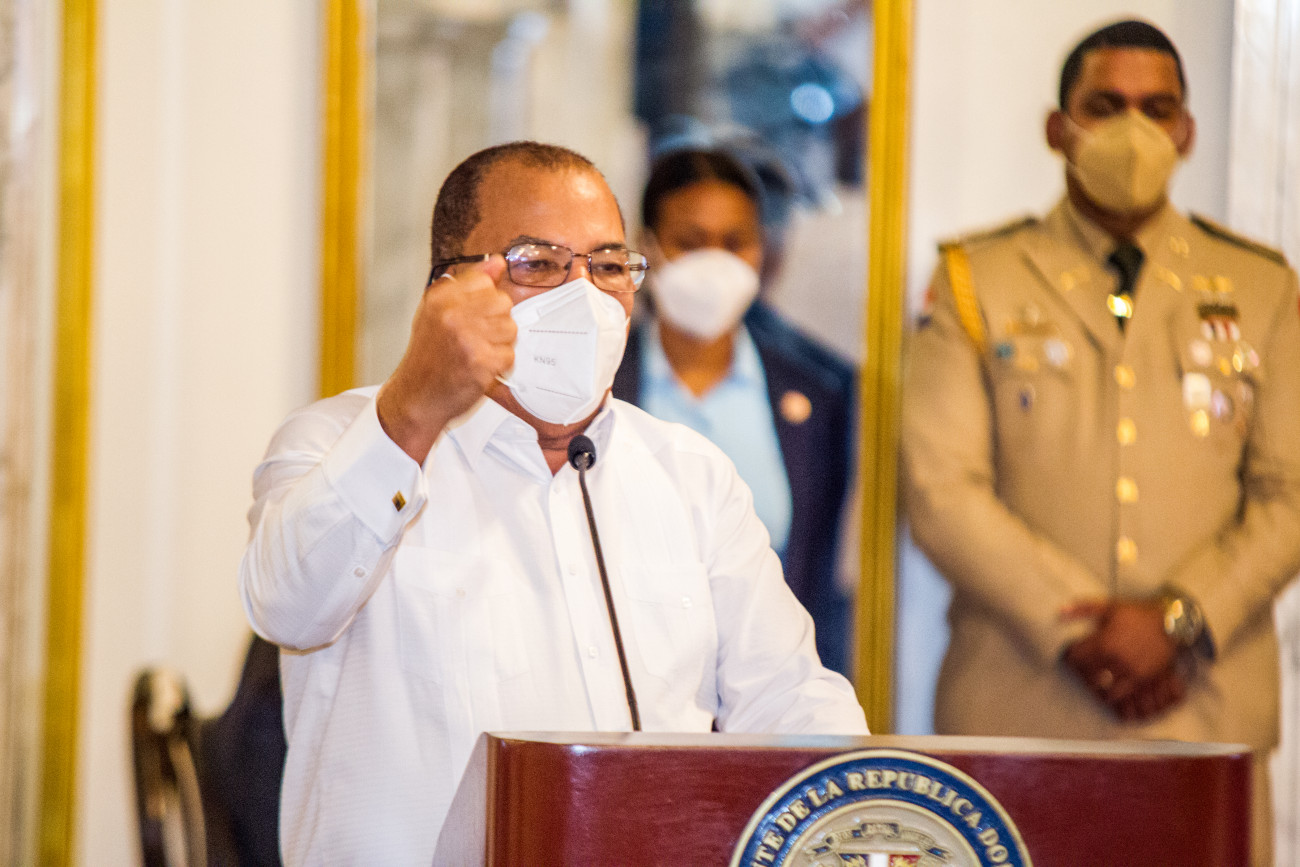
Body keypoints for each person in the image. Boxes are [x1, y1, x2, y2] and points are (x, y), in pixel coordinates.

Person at [240, 141, 868, 866]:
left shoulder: (692, 476)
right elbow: (287, 607)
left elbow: (789, 700)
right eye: (539, 264)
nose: (585, 298)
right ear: (447, 286)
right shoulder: (338, 442)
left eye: (608, 266)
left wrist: (863, 812)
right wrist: (411, 412)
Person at [901, 20, 1300, 865]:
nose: (1133, 130)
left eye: (1157, 110)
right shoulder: (976, 280)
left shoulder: (1263, 287)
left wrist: (1180, 619)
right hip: (1018, 709)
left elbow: (1290, 492)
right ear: (1059, 127)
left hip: (1203, 709)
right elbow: (941, 489)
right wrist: (1081, 630)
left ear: (1187, 131)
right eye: (1105, 106)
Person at [613, 146, 856, 674]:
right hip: (627, 679)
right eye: (690, 242)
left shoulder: (819, 393)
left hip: (765, 691)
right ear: (647, 246)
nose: (714, 262)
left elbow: (816, 577)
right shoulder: (601, 383)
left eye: (734, 243)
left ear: (763, 250)